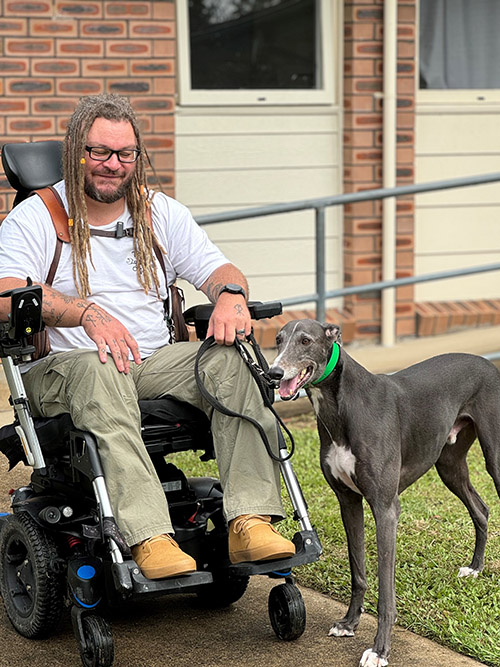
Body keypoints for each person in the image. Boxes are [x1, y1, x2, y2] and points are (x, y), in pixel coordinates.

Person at [0, 94, 295, 579]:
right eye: (99, 152)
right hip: (65, 368)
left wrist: (231, 295)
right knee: (101, 366)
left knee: (231, 358)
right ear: (75, 150)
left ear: (137, 157)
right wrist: (84, 313)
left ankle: (249, 522)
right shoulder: (36, 216)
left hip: (151, 362)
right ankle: (149, 536)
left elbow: (217, 267)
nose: (113, 165)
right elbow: (8, 294)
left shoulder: (159, 213)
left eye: (125, 154)